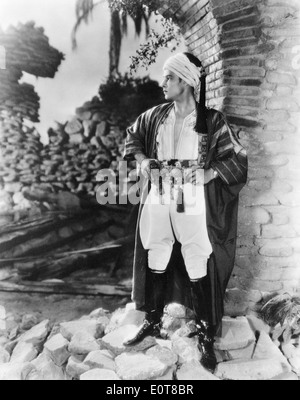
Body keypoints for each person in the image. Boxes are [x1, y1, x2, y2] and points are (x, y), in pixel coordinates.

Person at [122, 52, 248, 373]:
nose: (163, 83)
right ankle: (153, 319)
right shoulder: (156, 116)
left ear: (186, 81)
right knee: (157, 248)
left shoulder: (211, 121)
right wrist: (143, 161)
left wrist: (210, 173)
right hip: (160, 192)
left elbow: (237, 158)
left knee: (195, 253)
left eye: (169, 77)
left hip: (191, 196)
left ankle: (205, 333)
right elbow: (133, 138)